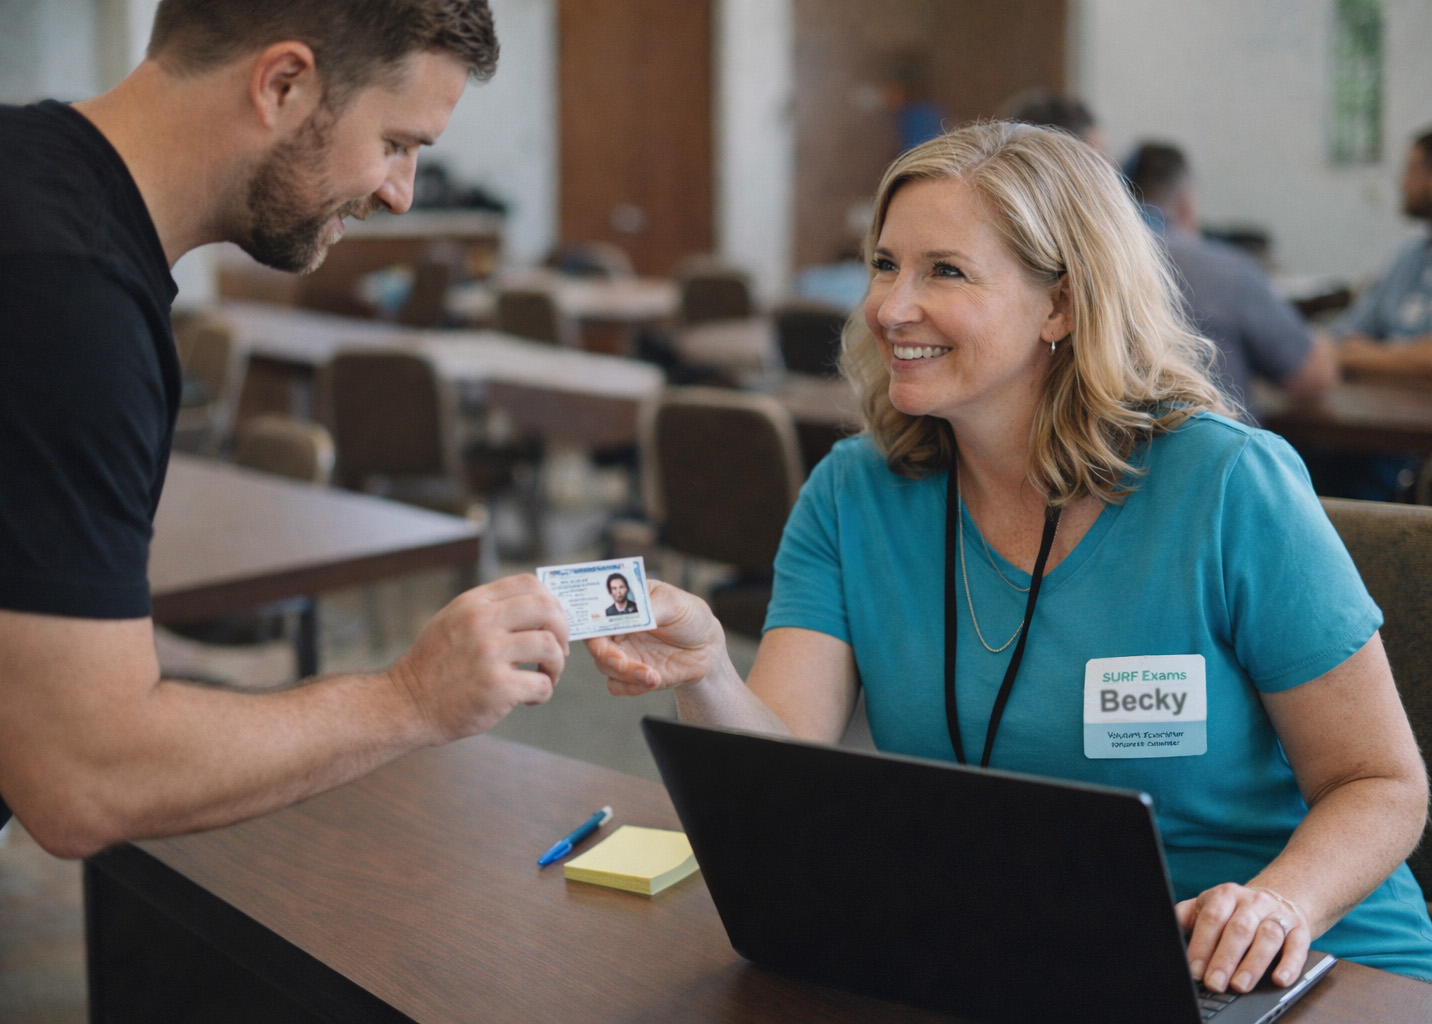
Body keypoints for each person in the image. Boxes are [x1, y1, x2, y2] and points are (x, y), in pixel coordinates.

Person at [587, 123, 1432, 995]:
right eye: (885, 265)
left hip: (1306, 971)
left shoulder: (1226, 484)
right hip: (1039, 955)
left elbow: (1382, 783)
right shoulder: (855, 494)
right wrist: (707, 672)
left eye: (943, 271)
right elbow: (781, 786)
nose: (889, 307)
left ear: (1060, 306)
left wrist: (1277, 906)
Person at [0, 3, 572, 1022]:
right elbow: (89, 777)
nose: (400, 193)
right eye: (395, 144)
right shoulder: (52, 297)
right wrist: (411, 699)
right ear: (282, 84)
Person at [1124, 141, 1337, 421]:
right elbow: (1312, 377)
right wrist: (1323, 338)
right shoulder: (1224, 267)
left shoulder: (1089, 264)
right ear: (1186, 201)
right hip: (1217, 457)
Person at [1306, 127, 1432, 500]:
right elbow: (1342, 338)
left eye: (1411, 170)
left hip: (1415, 450)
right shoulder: (1408, 256)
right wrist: (1398, 358)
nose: (1400, 181)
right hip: (1372, 431)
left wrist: (1366, 356)